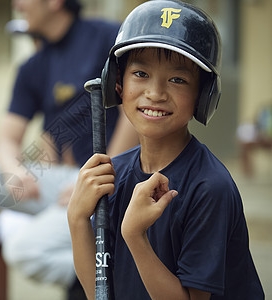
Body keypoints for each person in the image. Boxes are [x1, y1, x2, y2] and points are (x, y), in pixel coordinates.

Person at [67, 1, 265, 299]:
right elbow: (100, 291)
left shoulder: (209, 187)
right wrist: (76, 218)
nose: (156, 93)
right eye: (141, 74)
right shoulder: (114, 175)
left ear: (203, 96)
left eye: (177, 79)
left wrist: (135, 236)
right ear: (117, 84)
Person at [0, 0, 139, 299]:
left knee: (23, 250)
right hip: (64, 181)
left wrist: (100, 176)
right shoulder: (33, 65)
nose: (16, 4)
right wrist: (13, 170)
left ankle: (114, 277)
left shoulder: (109, 38)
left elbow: (133, 116)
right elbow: (7, 138)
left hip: (114, 181)